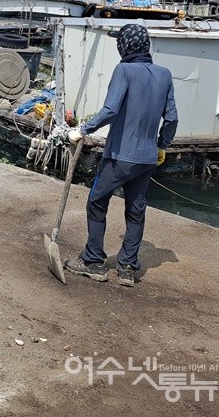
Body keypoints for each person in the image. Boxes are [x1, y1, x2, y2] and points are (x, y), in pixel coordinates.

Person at [65, 24, 178, 287]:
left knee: (96, 201)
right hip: (148, 158)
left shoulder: (124, 70)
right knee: (136, 210)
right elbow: (171, 117)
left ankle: (93, 262)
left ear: (125, 45)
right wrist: (162, 145)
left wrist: (82, 130)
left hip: (119, 156)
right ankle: (127, 267)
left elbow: (111, 109)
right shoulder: (165, 74)